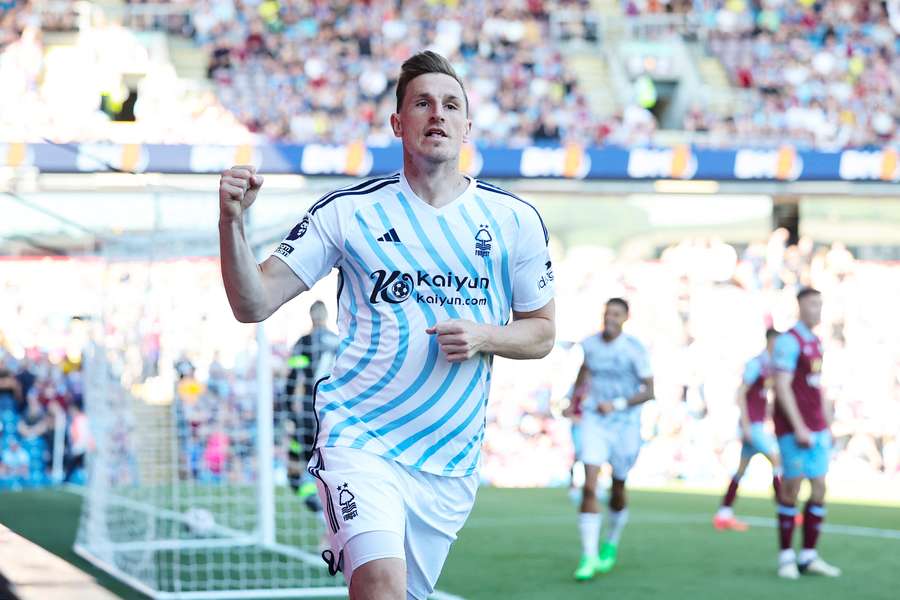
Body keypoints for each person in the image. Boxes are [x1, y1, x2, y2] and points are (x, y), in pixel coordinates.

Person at [218, 50, 556, 600]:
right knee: (379, 586)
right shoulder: (347, 212)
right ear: (399, 122)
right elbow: (252, 303)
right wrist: (231, 221)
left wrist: (485, 335)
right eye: (422, 103)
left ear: (468, 126)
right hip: (360, 436)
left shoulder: (514, 220)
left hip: (448, 459)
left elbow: (541, 331)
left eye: (451, 105)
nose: (437, 115)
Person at [568, 298, 653, 581]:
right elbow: (585, 370)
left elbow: (649, 391)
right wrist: (573, 399)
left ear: (626, 317)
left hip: (626, 424)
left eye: (616, 314)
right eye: (607, 313)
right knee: (589, 485)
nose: (610, 318)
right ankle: (588, 555)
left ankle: (611, 542)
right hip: (595, 419)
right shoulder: (589, 344)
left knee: (618, 487)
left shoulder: (634, 349)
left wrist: (616, 404)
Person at [772, 288, 840, 579]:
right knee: (791, 488)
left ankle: (809, 556)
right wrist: (798, 425)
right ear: (800, 306)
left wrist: (827, 422)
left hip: (817, 427)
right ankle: (786, 557)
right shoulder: (789, 341)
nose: (818, 310)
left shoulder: (816, 342)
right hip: (793, 427)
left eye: (820, 304)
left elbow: (816, 385)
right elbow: (783, 386)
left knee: (820, 487)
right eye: (813, 304)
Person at [713, 328, 783, 531]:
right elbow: (741, 393)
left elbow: (761, 395)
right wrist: (745, 425)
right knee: (776, 460)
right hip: (752, 425)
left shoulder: (770, 365)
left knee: (741, 469)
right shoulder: (756, 364)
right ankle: (784, 509)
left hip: (757, 423)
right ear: (771, 342)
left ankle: (723, 513)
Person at [283, 300, 339, 513]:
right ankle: (329, 513)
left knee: (295, 472)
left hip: (307, 417)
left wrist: (288, 412)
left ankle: (318, 512)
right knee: (327, 471)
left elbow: (292, 380)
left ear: (311, 316)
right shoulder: (337, 342)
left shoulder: (305, 342)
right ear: (325, 316)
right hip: (330, 416)